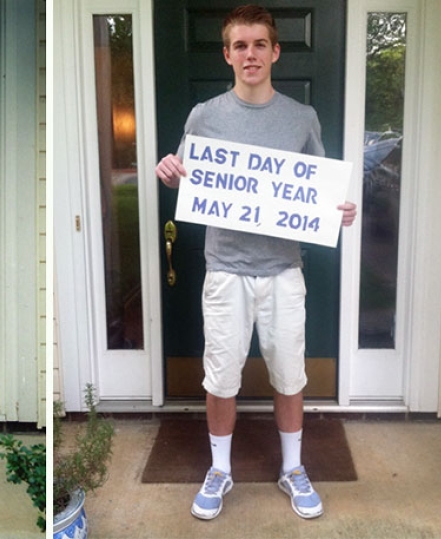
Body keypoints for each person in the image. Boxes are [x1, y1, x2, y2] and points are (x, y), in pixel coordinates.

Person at [154, 5, 357, 521]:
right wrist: (171, 171)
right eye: (240, 46)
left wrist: (341, 210)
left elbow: (316, 191)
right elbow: (188, 176)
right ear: (227, 54)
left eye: (259, 44)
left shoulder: (301, 117)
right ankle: (220, 469)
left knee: (290, 375)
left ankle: (293, 468)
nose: (250, 54)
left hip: (284, 270)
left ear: (275, 51)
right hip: (225, 269)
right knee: (220, 378)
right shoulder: (205, 115)